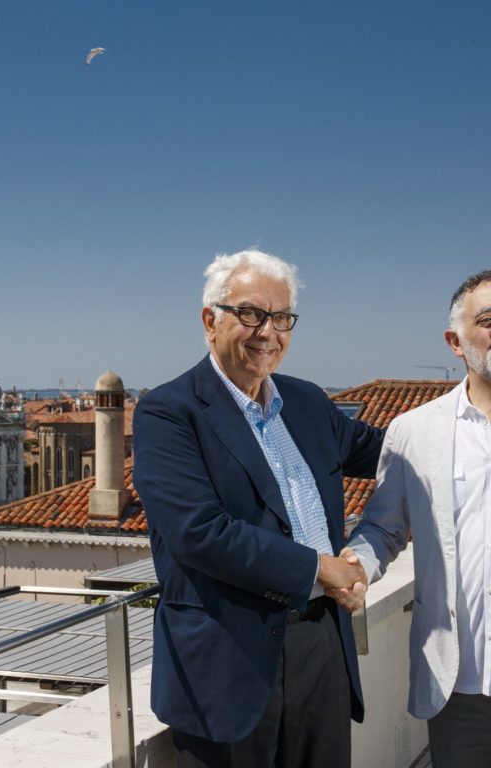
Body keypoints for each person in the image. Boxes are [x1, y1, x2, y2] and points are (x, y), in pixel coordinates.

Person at [133, 249, 384, 768]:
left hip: (321, 643)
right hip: (226, 666)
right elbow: (199, 531)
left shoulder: (308, 402)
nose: (268, 332)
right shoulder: (168, 412)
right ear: (210, 321)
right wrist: (320, 568)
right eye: (250, 313)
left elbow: (394, 452)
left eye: (282, 317)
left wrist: (474, 401)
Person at [346, 269, 491, 767]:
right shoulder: (413, 431)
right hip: (459, 688)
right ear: (455, 341)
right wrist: (354, 568)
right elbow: (384, 526)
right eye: (488, 320)